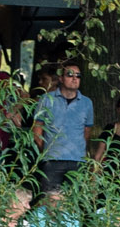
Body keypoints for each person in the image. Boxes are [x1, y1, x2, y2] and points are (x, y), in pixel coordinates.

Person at [31, 61, 94, 194]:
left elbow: (86, 132)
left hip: (77, 161)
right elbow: (37, 130)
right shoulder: (46, 99)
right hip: (52, 160)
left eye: (78, 75)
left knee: (74, 202)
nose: (74, 78)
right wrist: (48, 149)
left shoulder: (87, 103)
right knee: (50, 202)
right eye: (70, 74)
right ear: (61, 78)